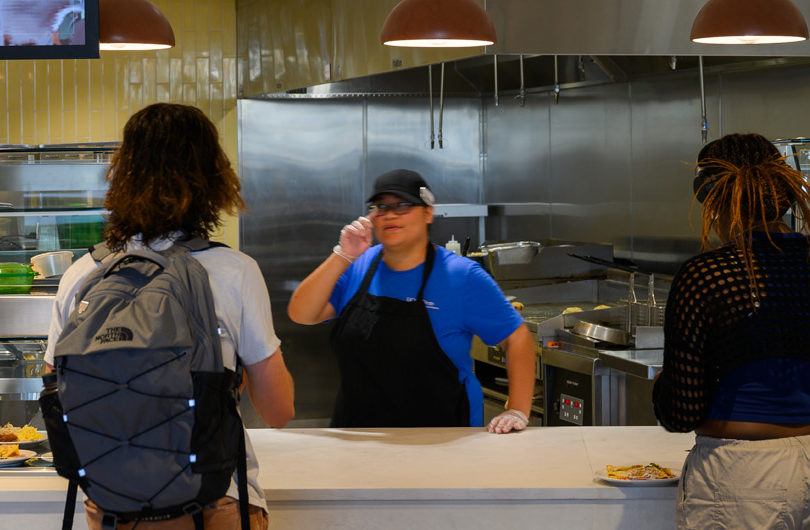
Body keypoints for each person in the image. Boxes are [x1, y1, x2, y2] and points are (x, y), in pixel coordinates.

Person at [43, 103, 295, 530]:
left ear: (121, 175)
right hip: (214, 499)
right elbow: (278, 410)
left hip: (111, 505)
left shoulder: (82, 273)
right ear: (212, 178)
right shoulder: (234, 272)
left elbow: (56, 387)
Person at [653, 133, 810, 530]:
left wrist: (662, 385)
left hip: (741, 472)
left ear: (712, 200)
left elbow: (681, 409)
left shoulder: (706, 276)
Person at [287, 169, 535, 434]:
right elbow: (302, 313)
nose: (391, 214)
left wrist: (517, 409)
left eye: (403, 205)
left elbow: (517, 338)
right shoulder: (360, 265)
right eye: (381, 207)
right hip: (358, 435)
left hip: (443, 439)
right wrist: (343, 254)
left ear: (428, 213)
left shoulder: (461, 276)